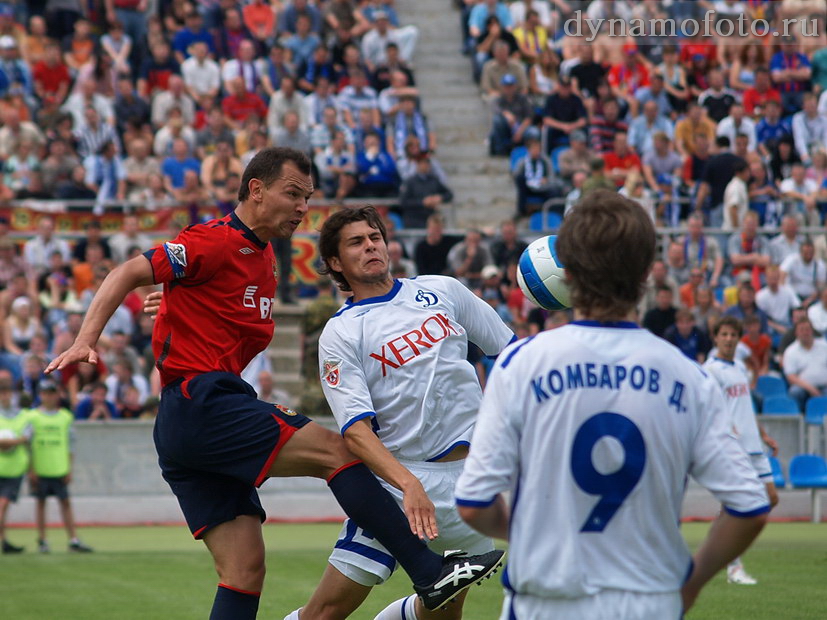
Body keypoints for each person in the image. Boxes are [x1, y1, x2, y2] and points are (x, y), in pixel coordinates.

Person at [49, 147, 501, 618]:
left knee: (244, 572)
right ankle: (427, 572)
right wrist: (86, 339)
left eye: (308, 197)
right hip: (203, 402)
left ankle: (429, 574)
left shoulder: (265, 263)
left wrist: (178, 303)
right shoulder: (214, 239)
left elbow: (214, 307)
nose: (303, 207)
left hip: (189, 423)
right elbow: (126, 272)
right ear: (256, 190)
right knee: (343, 451)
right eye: (293, 194)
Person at [455, 189, 769, 619]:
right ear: (645, 275)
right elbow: (750, 506)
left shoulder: (519, 365)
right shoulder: (689, 377)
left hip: (545, 601)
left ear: (569, 273)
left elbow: (473, 502)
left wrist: (536, 534)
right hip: (651, 602)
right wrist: (690, 586)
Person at [283, 206, 509, 620]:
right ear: (335, 263)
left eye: (374, 237)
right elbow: (355, 431)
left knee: (440, 614)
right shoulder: (342, 331)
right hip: (397, 486)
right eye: (356, 242)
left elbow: (511, 353)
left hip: (472, 483)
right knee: (326, 613)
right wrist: (407, 485)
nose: (370, 246)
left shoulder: (443, 289)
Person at [704, 316, 779, 586]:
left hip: (754, 445)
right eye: (723, 334)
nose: (728, 339)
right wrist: (725, 429)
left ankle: (724, 528)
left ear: (739, 338)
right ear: (715, 338)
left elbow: (745, 407)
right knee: (743, 505)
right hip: (734, 446)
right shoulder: (710, 370)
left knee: (771, 498)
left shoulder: (739, 368)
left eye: (733, 334)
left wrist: (763, 434)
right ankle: (733, 566)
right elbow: (710, 407)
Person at [28, 379, 93, 554]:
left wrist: (69, 468)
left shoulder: (65, 417)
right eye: (45, 393)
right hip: (41, 467)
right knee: (41, 503)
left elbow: (70, 445)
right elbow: (28, 445)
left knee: (65, 502)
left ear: (57, 395)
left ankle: (73, 539)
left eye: (51, 393)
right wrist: (31, 469)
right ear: (40, 395)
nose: (48, 397)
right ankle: (42, 540)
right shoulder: (32, 417)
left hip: (59, 466)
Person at [0, 372, 29, 553]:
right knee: (2, 506)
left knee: (3, 506)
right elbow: (22, 439)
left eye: (7, 392)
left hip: (14, 468)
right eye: (2, 392)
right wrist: (16, 441)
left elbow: (28, 438)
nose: (5, 396)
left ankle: (3, 541)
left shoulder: (23, 415)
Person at [783, 317, 827, 411]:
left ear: (812, 331)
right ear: (796, 333)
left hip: (825, 385)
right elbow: (791, 377)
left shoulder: (824, 346)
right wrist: (811, 388)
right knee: (794, 392)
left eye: (807, 329)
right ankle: (799, 419)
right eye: (801, 330)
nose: (805, 332)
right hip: (803, 387)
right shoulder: (790, 351)